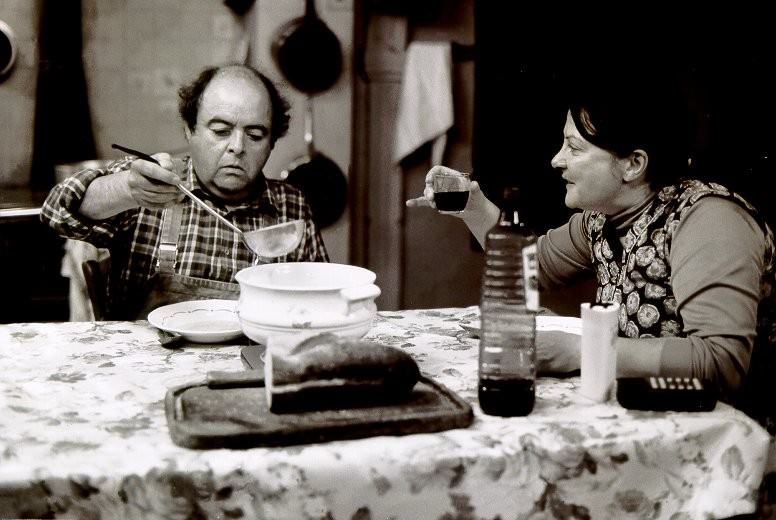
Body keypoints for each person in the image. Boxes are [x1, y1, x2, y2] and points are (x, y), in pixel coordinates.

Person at [407, 69, 776, 417]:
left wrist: (582, 350)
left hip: (733, 435)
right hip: (651, 412)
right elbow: (531, 268)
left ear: (633, 164)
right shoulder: (600, 218)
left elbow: (721, 362)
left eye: (574, 148)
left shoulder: (709, 220)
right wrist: (473, 206)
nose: (557, 160)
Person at [41, 64, 329, 320]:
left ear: (272, 143)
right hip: (146, 361)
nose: (237, 147)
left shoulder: (290, 206)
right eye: (221, 131)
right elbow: (55, 213)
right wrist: (126, 189)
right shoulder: (149, 182)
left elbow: (322, 304)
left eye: (255, 135)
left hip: (248, 360)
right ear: (190, 130)